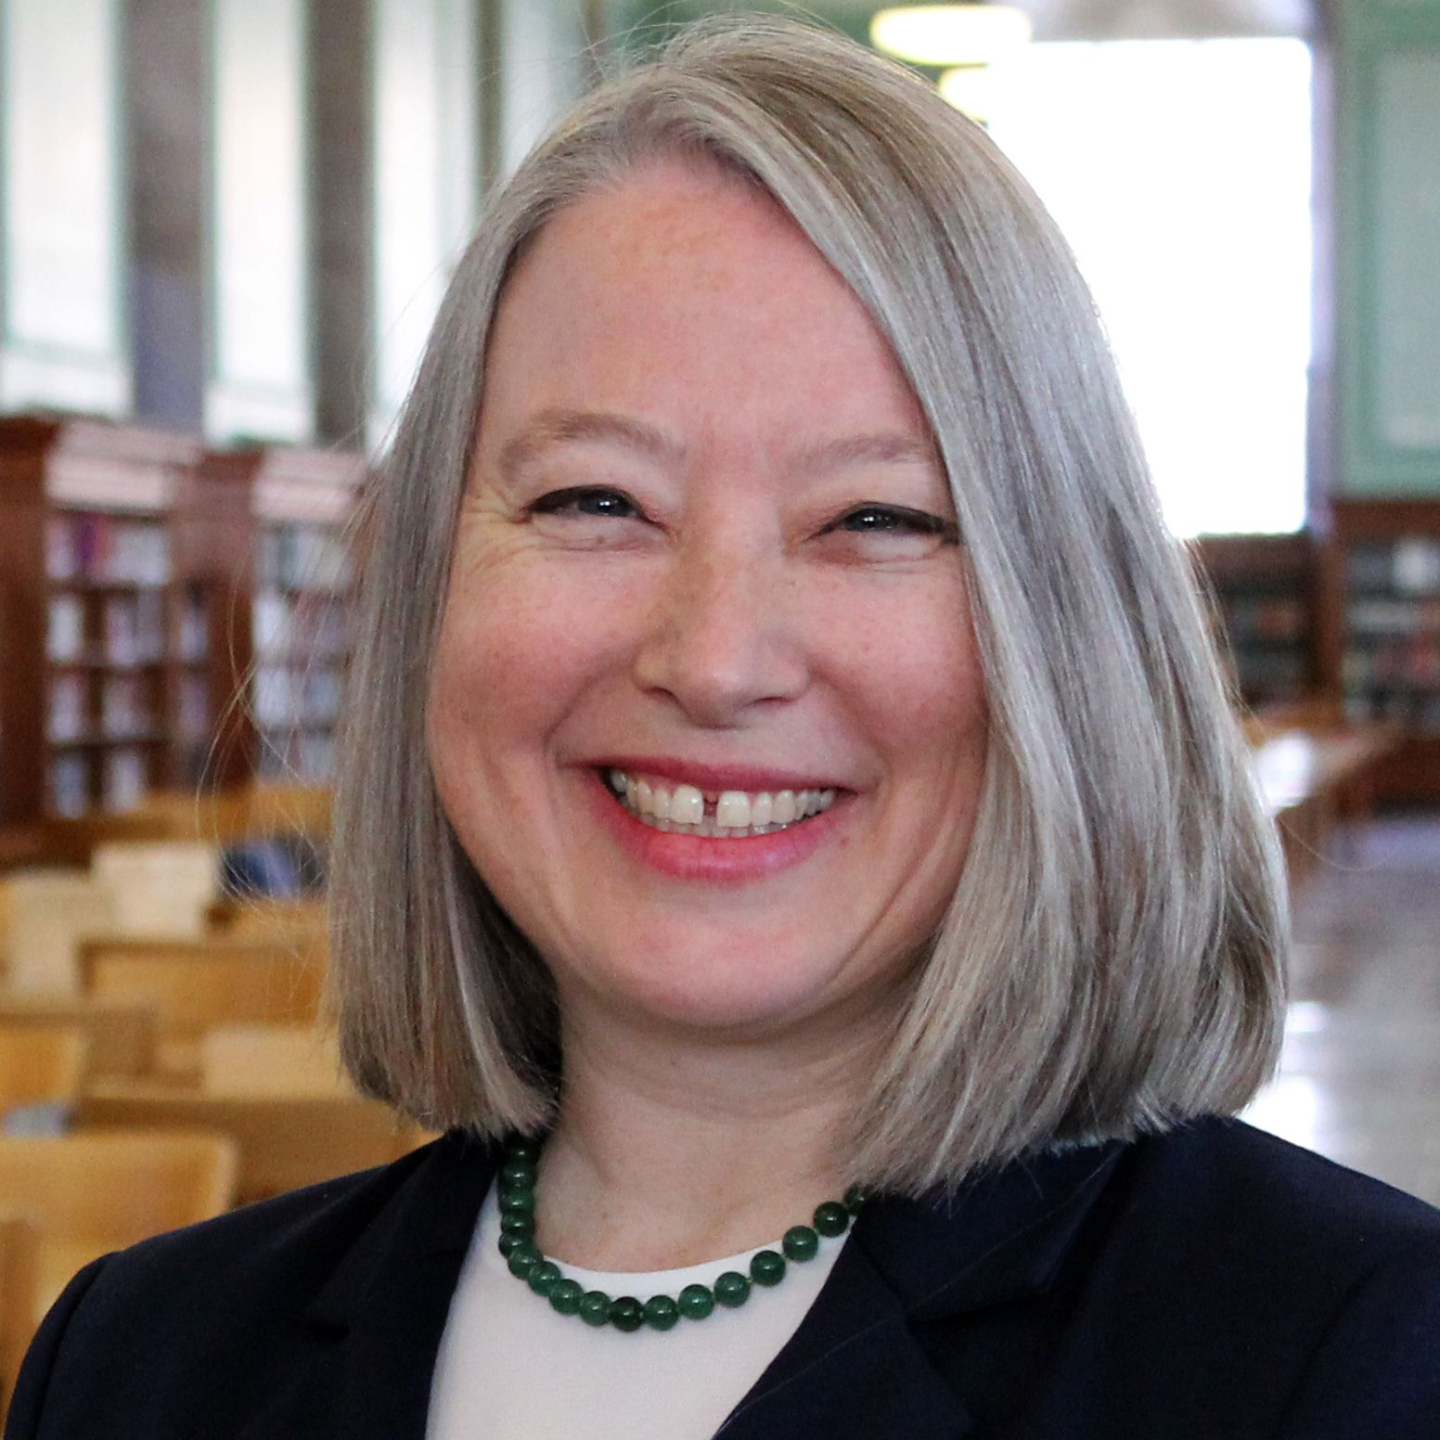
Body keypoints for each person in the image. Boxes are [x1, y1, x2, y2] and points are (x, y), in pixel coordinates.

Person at [9, 17, 1440, 1440]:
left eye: (876, 517)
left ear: (1068, 634)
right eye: (594, 501)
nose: (713, 660)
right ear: (429, 585)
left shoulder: (1356, 1359)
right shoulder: (135, 1361)